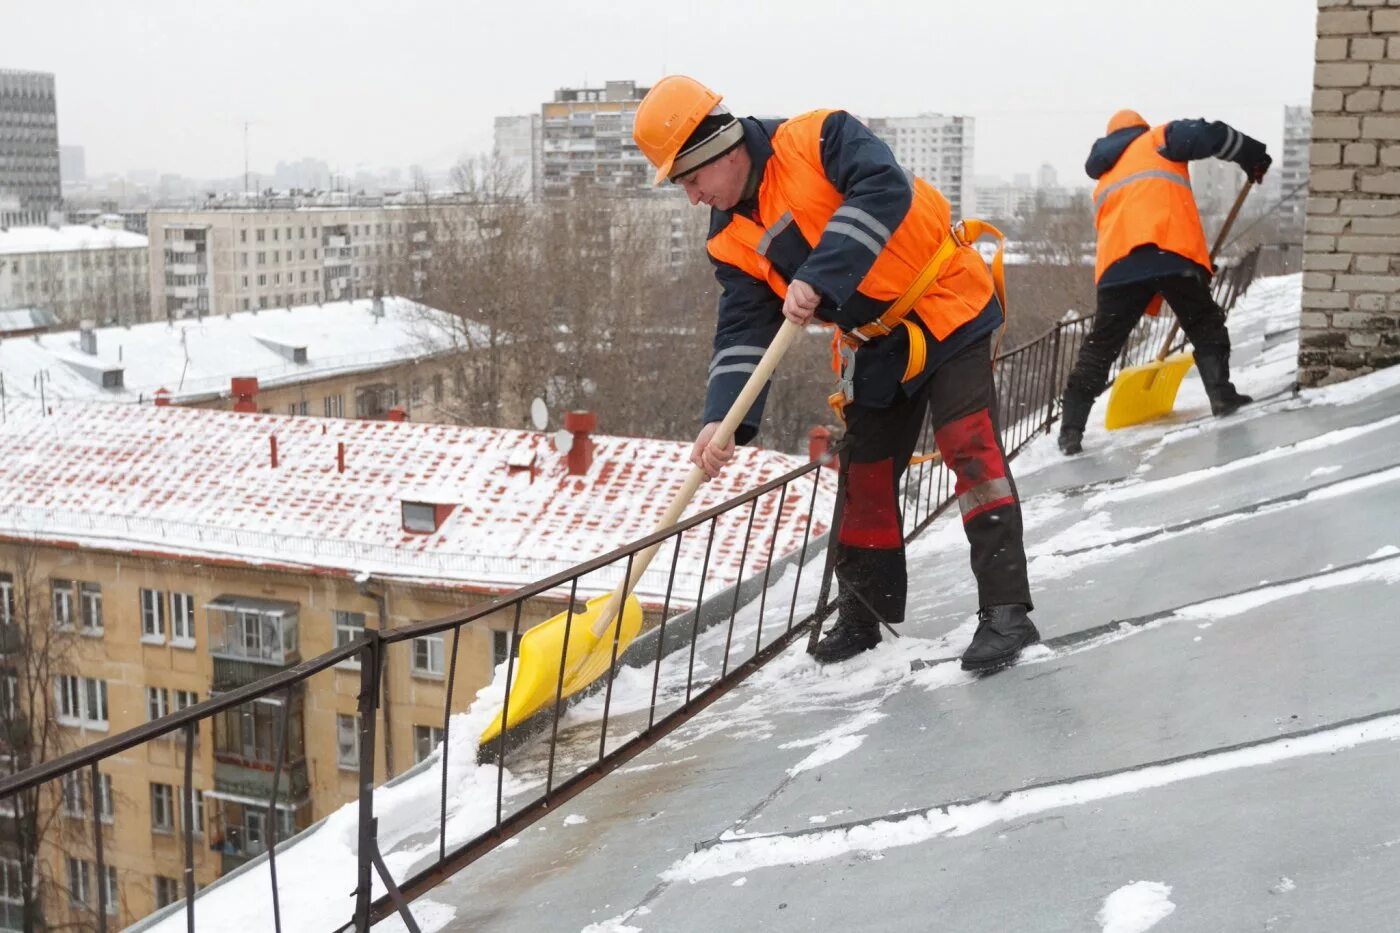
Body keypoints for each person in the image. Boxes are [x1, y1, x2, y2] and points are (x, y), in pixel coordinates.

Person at [632, 76, 1038, 671]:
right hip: (876, 343)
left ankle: (1006, 613)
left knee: (969, 447)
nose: (692, 197)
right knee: (865, 475)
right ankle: (862, 614)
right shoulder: (727, 240)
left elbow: (882, 188)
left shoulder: (818, 136)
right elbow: (744, 328)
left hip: (947, 304)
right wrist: (722, 418)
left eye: (692, 180)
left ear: (723, 151)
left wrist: (822, 273)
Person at [1057, 109, 1272, 455]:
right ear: (1138, 129)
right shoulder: (1158, 139)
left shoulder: (1105, 177)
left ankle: (1070, 431)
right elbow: (1210, 134)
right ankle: (1221, 396)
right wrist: (1251, 154)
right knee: (1204, 322)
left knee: (1100, 347)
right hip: (1169, 252)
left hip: (1118, 270)